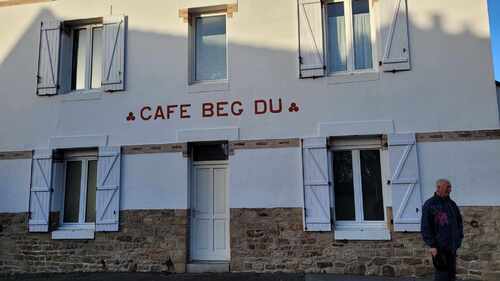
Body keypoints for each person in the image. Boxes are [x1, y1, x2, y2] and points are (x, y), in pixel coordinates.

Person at [421, 179, 464, 281]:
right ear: (439, 187)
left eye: (450, 187)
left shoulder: (452, 204)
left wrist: (459, 239)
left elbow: (459, 222)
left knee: (451, 276)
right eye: (448, 187)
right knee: (442, 276)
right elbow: (426, 227)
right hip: (439, 248)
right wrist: (432, 246)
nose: (450, 190)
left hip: (452, 246)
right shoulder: (430, 205)